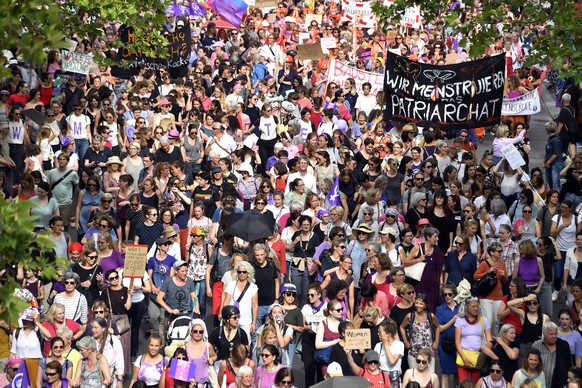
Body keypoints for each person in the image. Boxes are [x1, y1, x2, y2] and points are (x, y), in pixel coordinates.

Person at [455, 296, 494, 383]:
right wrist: (464, 358)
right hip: (463, 355)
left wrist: (487, 346)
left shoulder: (483, 320)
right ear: (467, 308)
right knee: (463, 384)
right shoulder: (460, 320)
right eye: (473, 306)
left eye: (477, 306)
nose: (476, 308)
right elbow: (457, 342)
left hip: (478, 357)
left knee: (475, 384)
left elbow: (490, 339)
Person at [401, 293, 440, 371]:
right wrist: (405, 341)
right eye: (417, 303)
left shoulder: (430, 316)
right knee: (414, 376)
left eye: (421, 303)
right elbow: (402, 327)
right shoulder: (410, 316)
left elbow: (437, 327)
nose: (418, 305)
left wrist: (436, 342)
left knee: (430, 376)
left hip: (428, 351)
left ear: (425, 305)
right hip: (414, 351)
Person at [532, 321, 572, 388]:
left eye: (555, 334)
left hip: (559, 384)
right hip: (539, 383)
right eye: (551, 334)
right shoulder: (536, 346)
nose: (554, 336)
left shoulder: (564, 345)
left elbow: (568, 365)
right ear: (544, 334)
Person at [436, 283, 459, 388]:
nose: (447, 297)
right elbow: (439, 328)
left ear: (454, 294)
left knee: (457, 372)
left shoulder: (460, 307)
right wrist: (453, 320)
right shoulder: (440, 309)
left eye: (450, 294)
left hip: (458, 343)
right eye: (445, 295)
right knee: (445, 373)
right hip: (444, 344)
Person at [183, 319, 216, 386]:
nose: (198, 333)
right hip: (188, 383)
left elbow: (214, 356)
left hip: (204, 383)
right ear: (191, 332)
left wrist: (212, 360)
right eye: (195, 331)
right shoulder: (184, 347)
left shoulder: (208, 346)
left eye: (200, 332)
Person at [374, 318, 405, 388]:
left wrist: (385, 344)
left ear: (388, 334)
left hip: (394, 380)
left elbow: (392, 361)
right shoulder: (378, 346)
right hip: (381, 377)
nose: (378, 334)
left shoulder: (399, 345)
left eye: (380, 332)